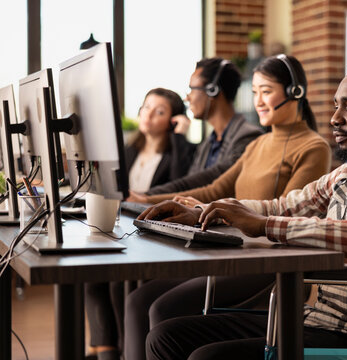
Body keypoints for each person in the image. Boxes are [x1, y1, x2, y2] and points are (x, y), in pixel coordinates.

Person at [141, 61, 347, 360]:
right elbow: (283, 206)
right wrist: (209, 212)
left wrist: (265, 225)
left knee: (210, 356)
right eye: (336, 105)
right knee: (167, 336)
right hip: (317, 319)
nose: (335, 118)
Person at [124, 54, 332, 360]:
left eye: (267, 91)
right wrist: (147, 201)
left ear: (295, 93)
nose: (259, 101)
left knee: (162, 307)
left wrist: (215, 209)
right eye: (255, 92)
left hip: (266, 261)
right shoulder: (257, 144)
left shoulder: (313, 147)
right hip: (231, 250)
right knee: (139, 299)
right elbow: (214, 189)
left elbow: (288, 211)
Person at [85, 87, 194, 360]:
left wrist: (180, 138)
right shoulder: (128, 150)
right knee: (92, 278)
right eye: (146, 107)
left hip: (152, 236)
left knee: (113, 281)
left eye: (160, 111)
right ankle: (108, 352)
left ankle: (125, 349)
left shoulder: (179, 154)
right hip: (124, 226)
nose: (149, 115)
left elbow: (182, 184)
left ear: (173, 120)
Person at [128, 58, 264, 202]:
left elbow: (206, 182)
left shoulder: (247, 136)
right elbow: (188, 184)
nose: (187, 98)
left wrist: (146, 197)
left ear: (213, 90)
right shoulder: (208, 143)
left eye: (192, 89)